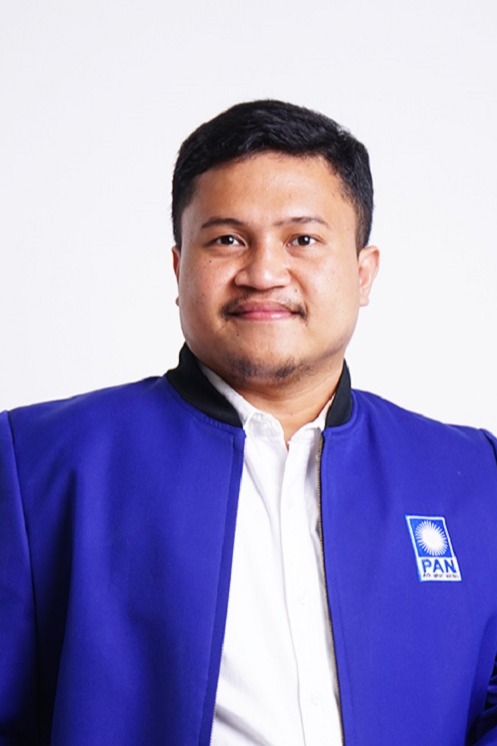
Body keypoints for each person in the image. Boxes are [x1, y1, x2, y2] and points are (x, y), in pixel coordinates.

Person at [1, 100, 497, 746]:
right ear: (179, 267)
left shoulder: (472, 473)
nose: (263, 273)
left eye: (302, 240)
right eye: (227, 240)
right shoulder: (35, 464)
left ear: (362, 272)